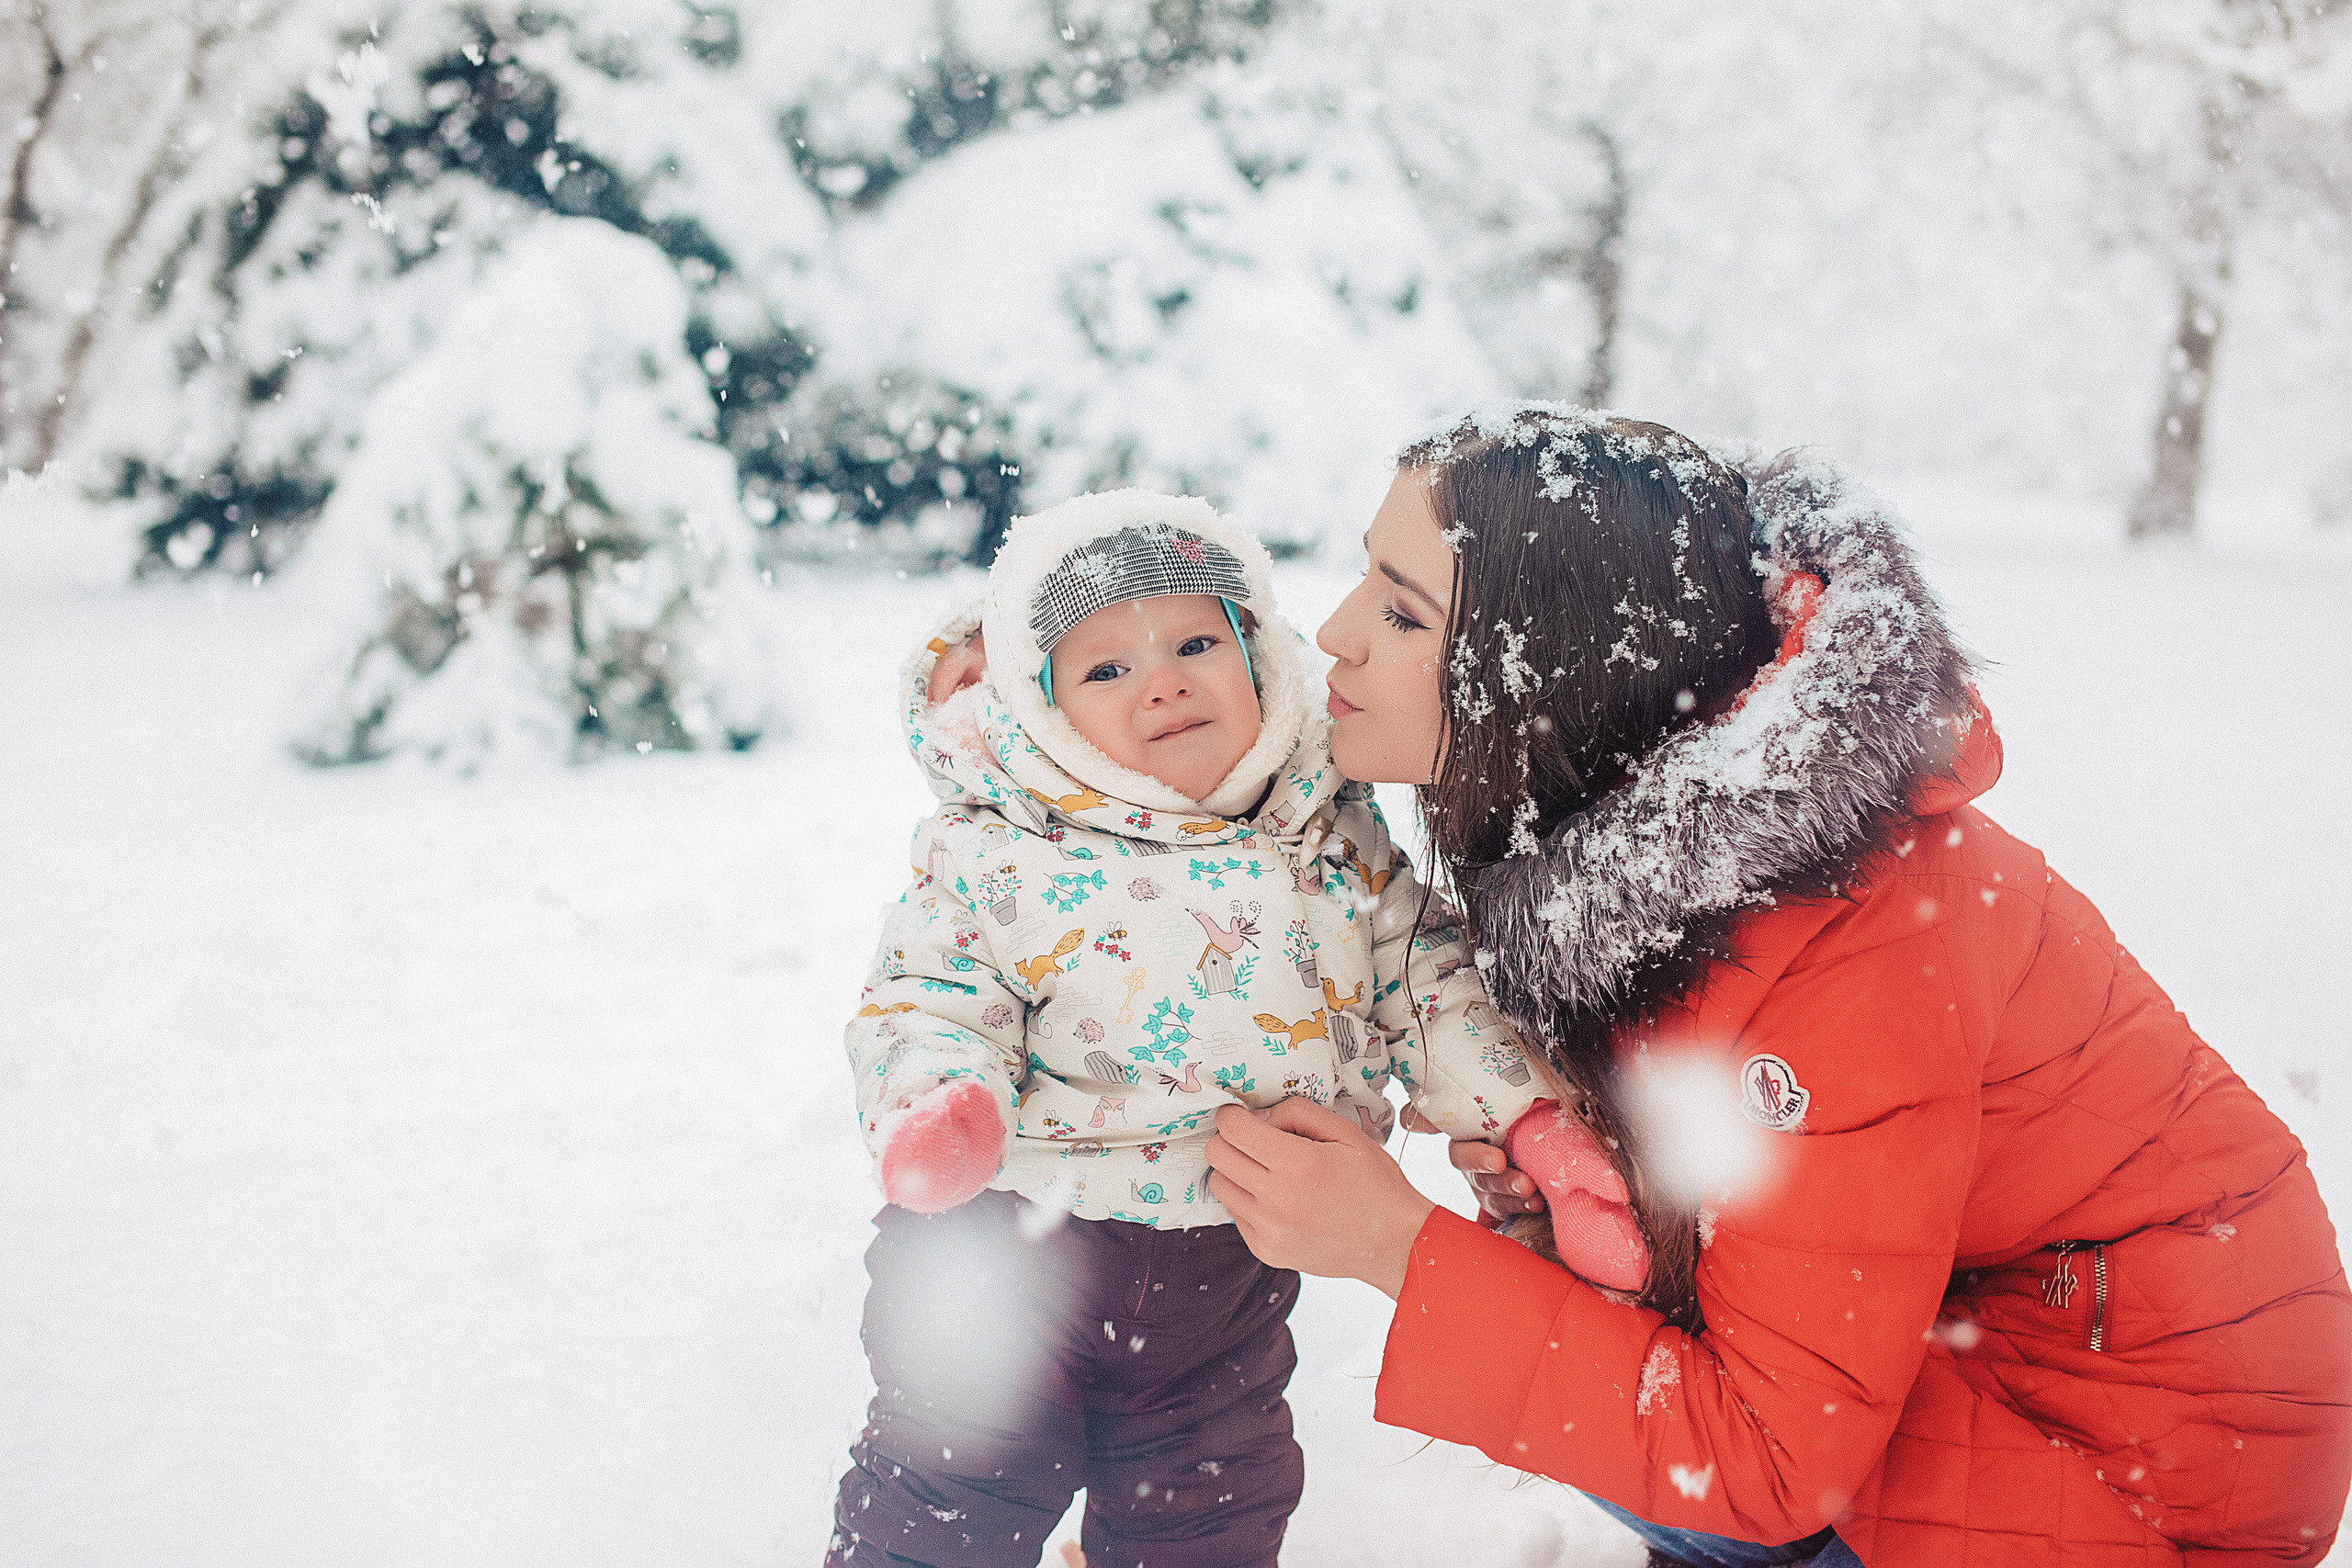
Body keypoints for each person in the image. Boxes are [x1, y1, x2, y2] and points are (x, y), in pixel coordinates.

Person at [1202, 405, 2352, 1566]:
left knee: (1640, 1427)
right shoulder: (1655, 843)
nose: (1336, 634)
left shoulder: (1836, 949)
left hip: (2133, 1467)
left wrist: (1396, 1246)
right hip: (2001, 1353)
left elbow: (1761, 1459)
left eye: (1404, 611)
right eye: (1364, 582)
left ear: (1552, 670)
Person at [829, 488, 1588, 1568]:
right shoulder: (1001, 852)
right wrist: (940, 1105)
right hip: (1001, 1247)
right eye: (1105, 669)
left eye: (1195, 641)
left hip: (1224, 1271)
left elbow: (1425, 979)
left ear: (1260, 654)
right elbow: (927, 996)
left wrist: (1523, 1114)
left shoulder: (1321, 831)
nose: (1166, 681)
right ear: (1038, 712)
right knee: (953, 1489)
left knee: (1214, 1503)